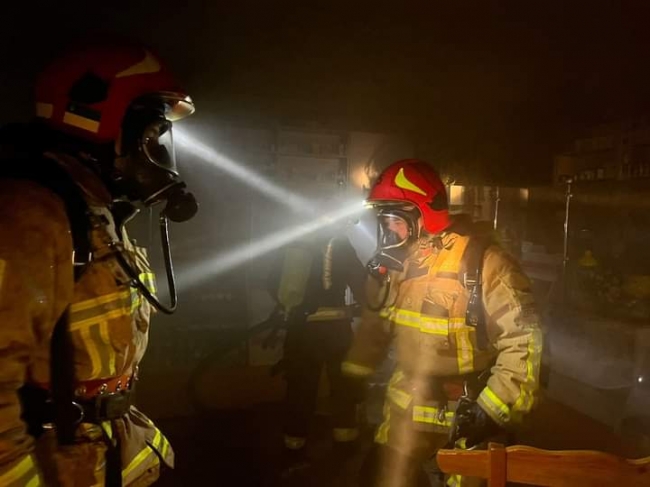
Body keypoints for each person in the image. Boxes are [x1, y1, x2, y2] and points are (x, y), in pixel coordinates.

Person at [0, 39, 198, 486]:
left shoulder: (94, 213)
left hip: (101, 453)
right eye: (150, 136)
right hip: (56, 460)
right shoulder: (30, 217)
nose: (158, 154)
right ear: (102, 122)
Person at [342, 159, 542, 487]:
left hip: (467, 415)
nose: (389, 230)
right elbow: (377, 323)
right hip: (406, 408)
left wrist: (492, 410)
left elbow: (524, 341)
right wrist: (354, 372)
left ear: (424, 215)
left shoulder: (487, 264)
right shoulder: (400, 265)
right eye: (384, 220)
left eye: (395, 220)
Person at [266, 220, 367, 473]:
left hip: (301, 331)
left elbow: (272, 282)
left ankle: (294, 449)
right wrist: (370, 307)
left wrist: (294, 308)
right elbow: (361, 285)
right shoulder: (340, 244)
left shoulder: (292, 244)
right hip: (336, 331)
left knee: (300, 389)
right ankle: (344, 446)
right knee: (343, 387)